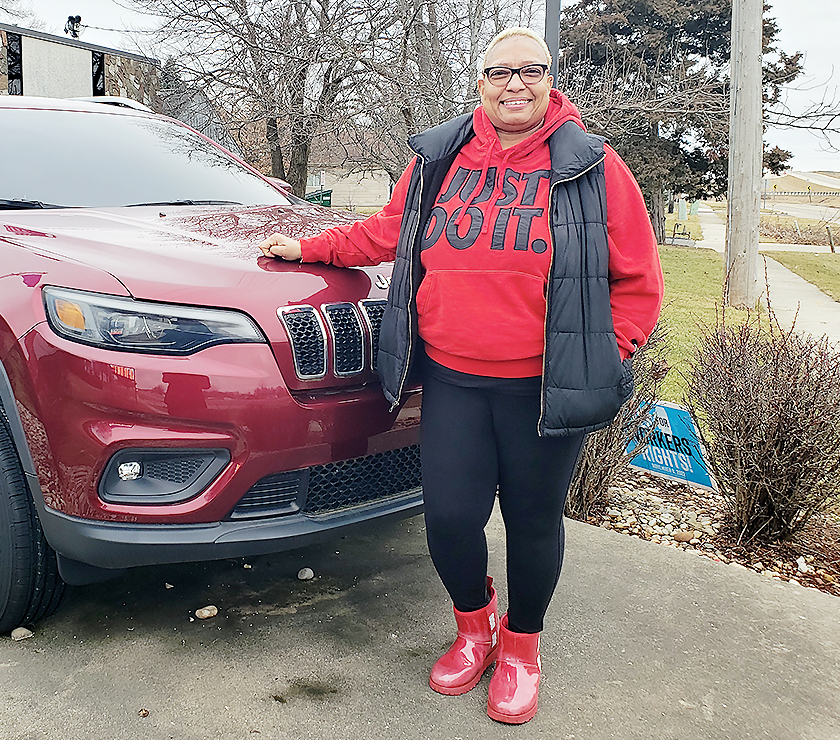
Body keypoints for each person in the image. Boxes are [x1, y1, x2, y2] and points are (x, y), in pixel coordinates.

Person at [258, 26, 662, 724]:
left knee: (533, 521)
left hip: (545, 386)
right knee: (448, 517)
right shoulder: (441, 157)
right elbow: (388, 231)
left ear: (550, 79)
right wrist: (308, 247)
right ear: (479, 82)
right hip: (452, 378)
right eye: (500, 72)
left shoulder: (591, 164)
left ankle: (522, 650)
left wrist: (609, 352)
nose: (515, 84)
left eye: (530, 70)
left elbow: (638, 280)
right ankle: (475, 630)